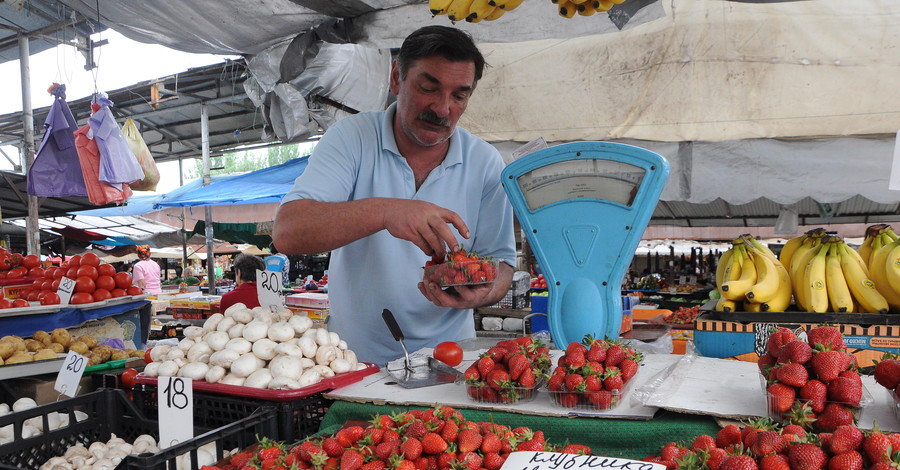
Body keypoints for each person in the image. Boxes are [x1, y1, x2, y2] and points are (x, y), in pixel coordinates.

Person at [273, 25, 516, 365]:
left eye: (459, 96)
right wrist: (387, 212)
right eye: (428, 88)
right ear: (396, 78)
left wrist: (482, 290)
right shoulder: (351, 138)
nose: (443, 108)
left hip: (451, 363)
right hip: (351, 362)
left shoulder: (486, 161)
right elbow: (288, 232)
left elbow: (501, 263)